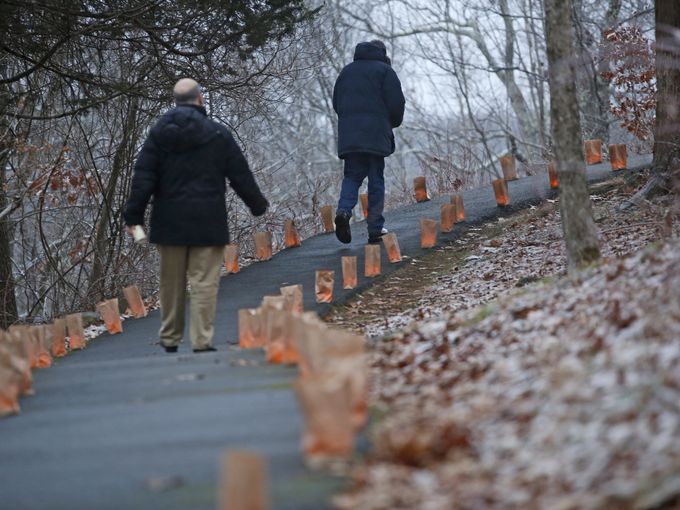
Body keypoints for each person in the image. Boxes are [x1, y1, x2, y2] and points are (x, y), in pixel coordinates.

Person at [124, 78, 268, 353]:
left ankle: (170, 337)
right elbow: (240, 174)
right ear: (200, 99)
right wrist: (257, 204)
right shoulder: (217, 134)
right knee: (204, 283)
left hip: (169, 222)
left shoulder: (158, 135)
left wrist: (134, 217)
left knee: (171, 283)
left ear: (175, 101)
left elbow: (143, 178)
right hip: (208, 220)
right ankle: (202, 340)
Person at [332, 40, 405, 244]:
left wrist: (350, 122)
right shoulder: (385, 71)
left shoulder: (346, 72)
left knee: (352, 177)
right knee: (376, 180)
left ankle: (343, 212)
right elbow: (396, 103)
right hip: (375, 134)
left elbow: (337, 103)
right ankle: (375, 229)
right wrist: (391, 123)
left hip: (350, 135)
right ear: (382, 53)